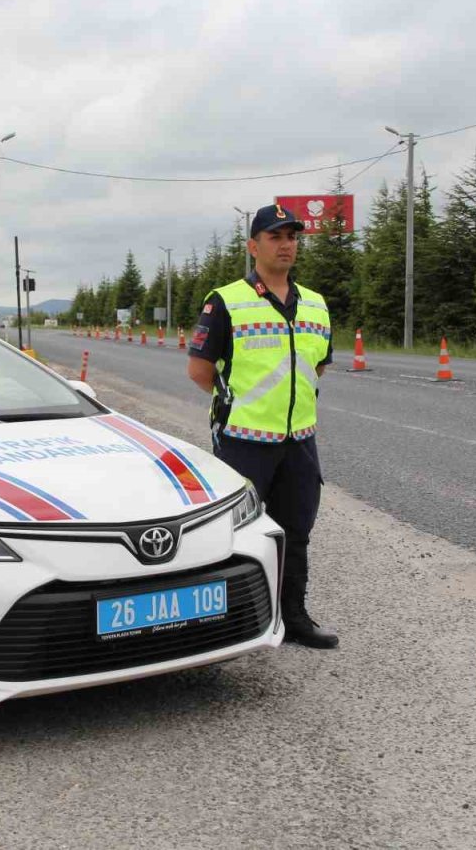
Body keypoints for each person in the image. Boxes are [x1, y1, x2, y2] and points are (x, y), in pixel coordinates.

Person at [186, 202, 339, 650]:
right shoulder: (226, 300)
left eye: (292, 236)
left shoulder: (315, 303)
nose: (286, 244)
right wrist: (238, 405)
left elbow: (318, 366)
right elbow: (199, 371)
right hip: (245, 442)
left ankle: (294, 618)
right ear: (254, 246)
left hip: (299, 442)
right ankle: (233, 623)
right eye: (275, 237)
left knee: (296, 531)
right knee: (236, 533)